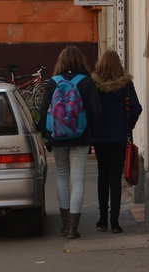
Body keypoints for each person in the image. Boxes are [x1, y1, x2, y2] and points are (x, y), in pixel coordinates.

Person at [38, 45, 102, 239]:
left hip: (57, 136)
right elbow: (97, 112)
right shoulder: (87, 82)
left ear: (61, 61)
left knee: (62, 176)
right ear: (80, 61)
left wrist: (47, 135)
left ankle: (65, 224)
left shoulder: (53, 82)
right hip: (81, 137)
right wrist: (91, 133)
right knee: (78, 179)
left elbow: (43, 110)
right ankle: (73, 227)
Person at [92, 49, 142, 234]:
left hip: (100, 137)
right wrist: (127, 126)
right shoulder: (126, 85)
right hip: (119, 137)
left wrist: (94, 129)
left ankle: (102, 219)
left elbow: (92, 110)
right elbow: (136, 108)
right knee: (115, 179)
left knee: (102, 177)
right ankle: (115, 222)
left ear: (101, 65)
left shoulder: (95, 86)